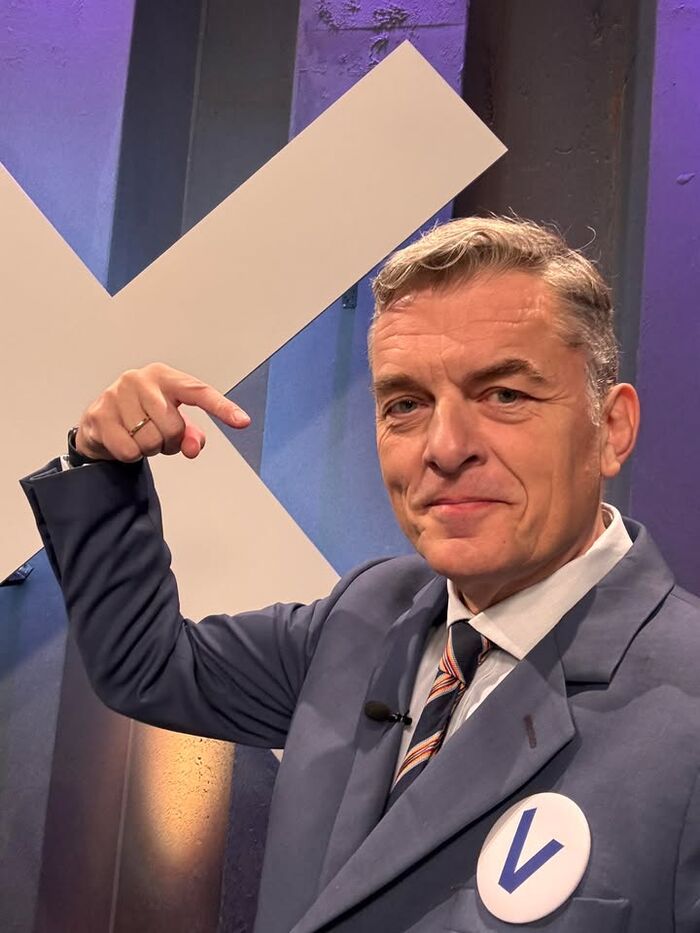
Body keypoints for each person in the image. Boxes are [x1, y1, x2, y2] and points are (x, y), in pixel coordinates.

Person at [20, 217, 700, 933]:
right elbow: (148, 666)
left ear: (612, 428)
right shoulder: (367, 611)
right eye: (406, 405)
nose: (446, 448)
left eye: (504, 395)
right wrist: (100, 464)